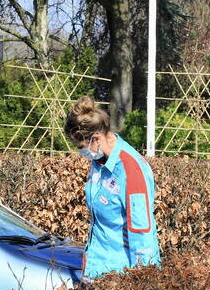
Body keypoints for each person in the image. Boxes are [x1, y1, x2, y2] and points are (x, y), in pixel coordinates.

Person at [65, 96, 160, 278]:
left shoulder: (130, 170)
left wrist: (145, 281)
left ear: (96, 139)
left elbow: (141, 233)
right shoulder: (98, 163)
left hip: (119, 278)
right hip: (97, 269)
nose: (81, 152)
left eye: (81, 147)